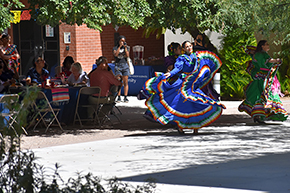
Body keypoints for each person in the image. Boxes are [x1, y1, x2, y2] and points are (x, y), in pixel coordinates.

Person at [140, 40, 225, 134]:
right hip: (182, 83)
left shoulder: (197, 57)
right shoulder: (182, 58)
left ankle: (195, 128)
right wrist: (170, 73)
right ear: (184, 49)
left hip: (192, 84)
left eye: (190, 46)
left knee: (195, 103)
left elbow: (202, 67)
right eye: (187, 47)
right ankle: (180, 127)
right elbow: (178, 68)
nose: (189, 48)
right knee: (179, 105)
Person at [238, 40, 288, 123]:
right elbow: (268, 61)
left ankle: (261, 116)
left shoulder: (263, 54)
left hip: (265, 78)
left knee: (264, 96)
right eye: (266, 44)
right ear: (262, 46)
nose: (268, 46)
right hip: (261, 79)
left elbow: (269, 61)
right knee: (259, 96)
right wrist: (276, 60)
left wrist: (275, 61)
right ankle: (258, 115)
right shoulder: (259, 54)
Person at [113, 35, 130, 103]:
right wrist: (120, 47)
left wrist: (125, 48)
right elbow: (116, 55)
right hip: (118, 65)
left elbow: (127, 55)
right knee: (119, 81)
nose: (123, 42)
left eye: (124, 41)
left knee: (125, 82)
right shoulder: (115, 48)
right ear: (119, 41)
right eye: (121, 41)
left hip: (125, 65)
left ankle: (125, 97)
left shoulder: (127, 48)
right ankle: (119, 96)